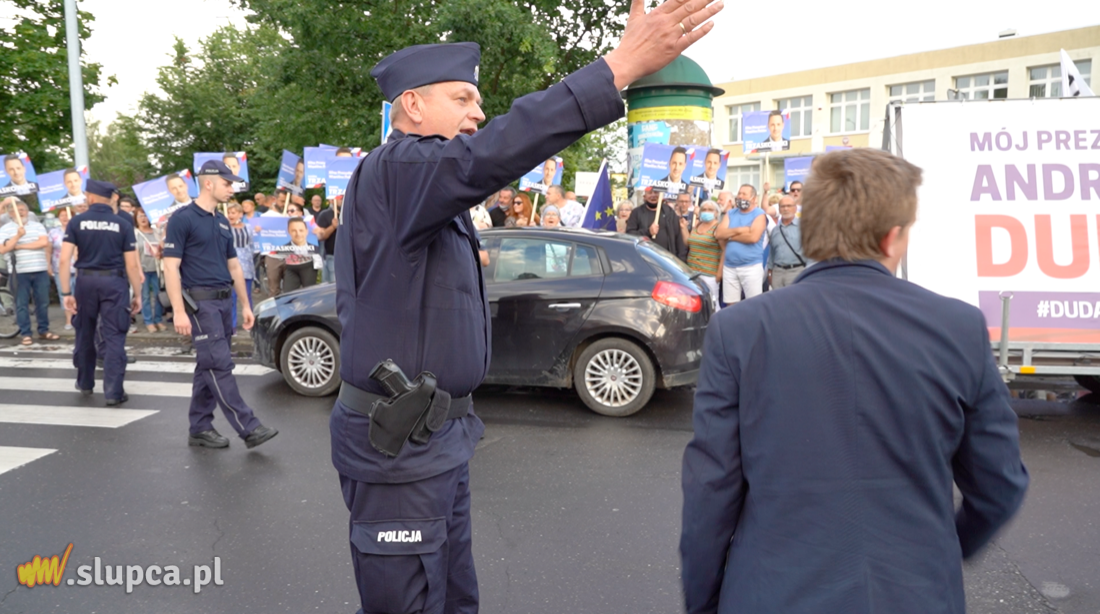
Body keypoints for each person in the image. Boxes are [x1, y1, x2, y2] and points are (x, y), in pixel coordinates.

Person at [331, 3, 721, 610]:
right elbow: (495, 152)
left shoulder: (421, 187)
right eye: (463, 99)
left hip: (436, 437)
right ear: (413, 105)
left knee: (453, 598)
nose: (478, 113)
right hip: (401, 446)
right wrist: (617, 68)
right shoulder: (402, 167)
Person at [681, 147, 1028, 614]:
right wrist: (938, 548)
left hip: (772, 593)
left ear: (813, 231)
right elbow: (1000, 483)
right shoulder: (958, 327)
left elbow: (710, 494)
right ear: (892, 238)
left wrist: (704, 600)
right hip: (916, 594)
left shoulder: (740, 329)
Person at [162, 159, 278, 449]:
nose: (231, 189)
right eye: (227, 183)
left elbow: (235, 267)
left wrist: (246, 305)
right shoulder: (182, 218)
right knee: (218, 364)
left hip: (224, 303)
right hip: (201, 303)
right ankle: (248, 427)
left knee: (208, 365)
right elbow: (170, 267)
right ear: (209, 183)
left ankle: (199, 426)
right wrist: (178, 310)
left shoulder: (222, 221)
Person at [58, 180, 143, 405]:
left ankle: (85, 382)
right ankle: (114, 392)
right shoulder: (122, 224)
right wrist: (138, 294)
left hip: (85, 282)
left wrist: (66, 292)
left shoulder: (77, 222)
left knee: (85, 332)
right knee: (114, 336)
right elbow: (132, 265)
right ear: (111, 199)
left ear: (91, 198)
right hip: (114, 283)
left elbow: (64, 259)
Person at [0, 198, 57, 345]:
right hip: (19, 272)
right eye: (16, 211)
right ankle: (25, 333)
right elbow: (3, 249)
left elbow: (43, 242)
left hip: (40, 269)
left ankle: (44, 330)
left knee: (43, 302)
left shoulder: (37, 226)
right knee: (21, 303)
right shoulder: (5, 229)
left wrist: (18, 246)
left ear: (27, 211)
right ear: (10, 213)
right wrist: (18, 236)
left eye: (23, 210)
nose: (20, 213)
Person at [715, 184, 766, 304]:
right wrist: (740, 230)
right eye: (739, 193)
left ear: (753, 198)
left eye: (744, 194)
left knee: (753, 305)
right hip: (729, 267)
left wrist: (730, 236)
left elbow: (753, 237)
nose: (740, 196)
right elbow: (719, 234)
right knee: (730, 304)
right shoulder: (731, 213)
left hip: (751, 267)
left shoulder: (759, 214)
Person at [625, 186, 687, 259]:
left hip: (666, 259)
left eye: (656, 192)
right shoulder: (637, 212)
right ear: (644, 196)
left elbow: (678, 238)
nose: (653, 195)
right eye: (650, 193)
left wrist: (682, 260)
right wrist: (648, 232)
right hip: (644, 258)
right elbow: (629, 235)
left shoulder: (669, 212)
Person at [134, 208, 166, 332]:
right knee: (145, 296)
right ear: (136, 218)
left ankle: (158, 319)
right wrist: (138, 270)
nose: (143, 219)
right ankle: (148, 321)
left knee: (159, 295)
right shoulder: (135, 233)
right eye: (140, 216)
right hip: (142, 269)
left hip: (157, 269)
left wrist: (160, 252)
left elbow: (162, 246)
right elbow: (134, 252)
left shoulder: (156, 232)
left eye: (145, 216)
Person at [766, 195, 807, 289]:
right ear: (779, 210)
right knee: (777, 302)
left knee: (795, 301)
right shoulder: (775, 230)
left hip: (797, 271)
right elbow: (772, 252)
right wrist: (770, 272)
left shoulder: (803, 227)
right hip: (777, 273)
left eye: (789, 206)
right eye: (783, 206)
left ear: (795, 208)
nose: (786, 209)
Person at [685, 199, 723, 299]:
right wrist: (683, 228)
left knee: (711, 302)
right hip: (693, 272)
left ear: (716, 213)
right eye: (704, 209)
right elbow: (689, 242)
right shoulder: (696, 225)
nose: (707, 211)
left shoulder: (718, 227)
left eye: (710, 209)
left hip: (709, 273)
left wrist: (719, 272)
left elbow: (724, 250)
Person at [226, 202, 256, 327]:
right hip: (231, 264)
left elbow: (251, 245)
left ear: (240, 214)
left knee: (247, 295)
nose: (230, 215)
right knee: (231, 297)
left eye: (233, 213)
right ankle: (232, 325)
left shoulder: (248, 227)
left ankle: (250, 322)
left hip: (246, 265)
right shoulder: (225, 227)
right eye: (229, 213)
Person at [48, 206, 76, 330]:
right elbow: (48, 250)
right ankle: (69, 320)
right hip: (60, 268)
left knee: (79, 294)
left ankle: (80, 319)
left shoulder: (79, 230)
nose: (65, 217)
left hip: (78, 267)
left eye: (67, 215)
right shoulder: (53, 232)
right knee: (64, 294)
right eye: (62, 215)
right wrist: (48, 265)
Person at [281, 217, 319, 292]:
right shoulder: (282, 248)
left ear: (307, 231)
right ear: (288, 231)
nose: (298, 234)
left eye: (301, 230)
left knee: (310, 294)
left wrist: (320, 231)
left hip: (308, 267)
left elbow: (323, 235)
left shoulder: (314, 246)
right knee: (288, 295)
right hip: (290, 268)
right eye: (294, 231)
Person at [313, 196, 340, 283]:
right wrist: (333, 227)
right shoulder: (325, 215)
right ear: (332, 200)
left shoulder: (350, 213)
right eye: (340, 198)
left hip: (350, 256)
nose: (343, 200)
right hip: (332, 256)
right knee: (334, 286)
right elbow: (320, 237)